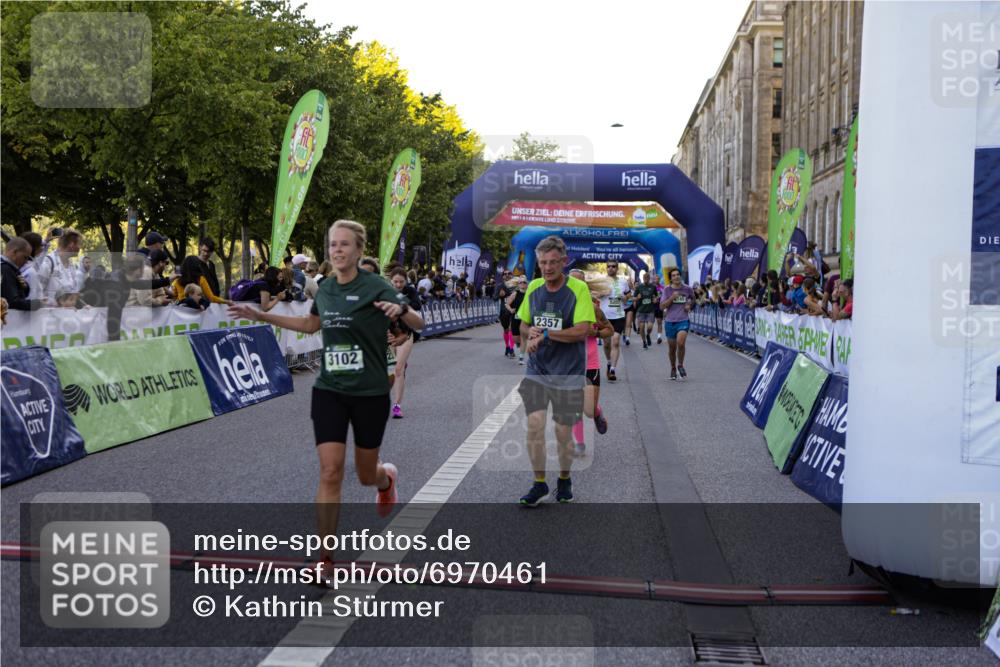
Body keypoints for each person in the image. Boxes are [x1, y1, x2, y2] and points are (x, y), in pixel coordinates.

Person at [228, 219, 424, 575]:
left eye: (345, 244)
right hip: (330, 390)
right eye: (333, 244)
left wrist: (402, 311)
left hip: (370, 392)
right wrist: (261, 315)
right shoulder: (327, 289)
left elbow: (419, 322)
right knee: (331, 471)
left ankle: (386, 480)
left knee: (365, 474)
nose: (337, 250)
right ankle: (325, 559)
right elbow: (309, 326)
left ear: (359, 249)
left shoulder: (377, 286)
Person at [516, 237, 595, 506]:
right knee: (534, 426)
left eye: (552, 262)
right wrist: (531, 332)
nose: (547, 268)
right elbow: (523, 326)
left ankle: (564, 477)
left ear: (564, 261)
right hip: (537, 369)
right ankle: (539, 483)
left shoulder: (578, 289)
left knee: (563, 433)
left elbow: (582, 330)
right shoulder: (534, 287)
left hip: (568, 371)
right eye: (542, 263)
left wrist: (547, 334)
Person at [568, 269, 611, 457]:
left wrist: (597, 333)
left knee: (588, 410)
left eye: (579, 282)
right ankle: (579, 443)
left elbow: (609, 330)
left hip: (590, 363)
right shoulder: (562, 308)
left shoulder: (594, 309)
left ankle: (597, 412)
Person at [388, 267, 421, 418]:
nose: (399, 284)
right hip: (388, 332)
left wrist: (400, 304)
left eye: (401, 282)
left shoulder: (410, 291)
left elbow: (417, 306)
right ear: (391, 280)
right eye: (396, 281)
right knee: (388, 370)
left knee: (399, 369)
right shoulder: (384, 290)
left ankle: (396, 405)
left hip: (406, 332)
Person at [598, 261, 631, 382]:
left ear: (617, 268)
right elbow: (592, 294)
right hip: (604, 317)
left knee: (615, 341)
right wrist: (602, 293)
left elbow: (628, 295)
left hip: (619, 315)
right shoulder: (601, 281)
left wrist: (625, 298)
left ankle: (612, 369)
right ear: (606, 268)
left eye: (613, 266)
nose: (611, 268)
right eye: (609, 266)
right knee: (606, 344)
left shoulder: (623, 281)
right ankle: (608, 362)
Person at [659, 267, 694, 381]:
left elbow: (693, 299)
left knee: (681, 342)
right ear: (671, 278)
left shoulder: (687, 289)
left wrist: (690, 305)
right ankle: (673, 367)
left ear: (680, 276)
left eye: (678, 274)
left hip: (683, 320)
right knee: (672, 348)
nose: (676, 277)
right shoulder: (667, 290)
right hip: (670, 321)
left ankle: (680, 365)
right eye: (673, 275)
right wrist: (672, 298)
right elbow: (662, 306)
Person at [36, 227, 84, 306]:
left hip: (66, 316)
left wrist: (84, 306)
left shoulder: (72, 266)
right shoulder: (48, 263)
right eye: (79, 244)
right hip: (47, 316)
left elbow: (73, 295)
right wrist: (55, 304)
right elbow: (36, 292)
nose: (80, 247)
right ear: (71, 244)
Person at [1, 238, 33, 311]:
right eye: (25, 257)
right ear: (14, 252)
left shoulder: (9, 268)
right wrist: (38, 304)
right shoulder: (5, 269)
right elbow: (12, 302)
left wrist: (25, 287)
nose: (26, 262)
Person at [633, 272, 658, 349]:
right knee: (642, 327)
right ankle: (644, 341)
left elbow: (656, 296)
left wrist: (655, 300)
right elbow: (633, 298)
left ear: (649, 278)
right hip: (641, 310)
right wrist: (637, 298)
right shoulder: (639, 287)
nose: (646, 279)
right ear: (643, 279)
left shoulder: (653, 287)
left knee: (650, 327)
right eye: (645, 278)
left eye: (647, 278)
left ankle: (648, 335)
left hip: (650, 310)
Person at [507, 276, 528, 364]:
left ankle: (521, 357)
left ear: (527, 284)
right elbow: (507, 304)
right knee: (515, 338)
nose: (522, 284)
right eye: (520, 282)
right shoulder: (515, 294)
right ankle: (518, 343)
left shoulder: (530, 293)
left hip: (525, 319)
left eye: (524, 282)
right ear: (518, 285)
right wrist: (511, 310)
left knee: (523, 338)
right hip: (515, 318)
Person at [496, 272, 515, 357]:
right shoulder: (500, 286)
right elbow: (494, 298)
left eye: (509, 273)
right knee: (506, 330)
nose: (507, 275)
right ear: (503, 276)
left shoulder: (516, 285)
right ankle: (507, 347)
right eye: (505, 274)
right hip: (504, 311)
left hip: (514, 310)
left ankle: (511, 349)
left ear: (512, 275)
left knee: (512, 329)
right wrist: (500, 295)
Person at [652, 270, 665, 344]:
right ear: (653, 279)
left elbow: (664, 297)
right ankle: (647, 334)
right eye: (655, 279)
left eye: (657, 279)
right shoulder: (650, 287)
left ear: (659, 280)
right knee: (650, 323)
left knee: (659, 322)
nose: (656, 280)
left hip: (659, 306)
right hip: (651, 307)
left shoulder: (662, 288)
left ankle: (659, 337)